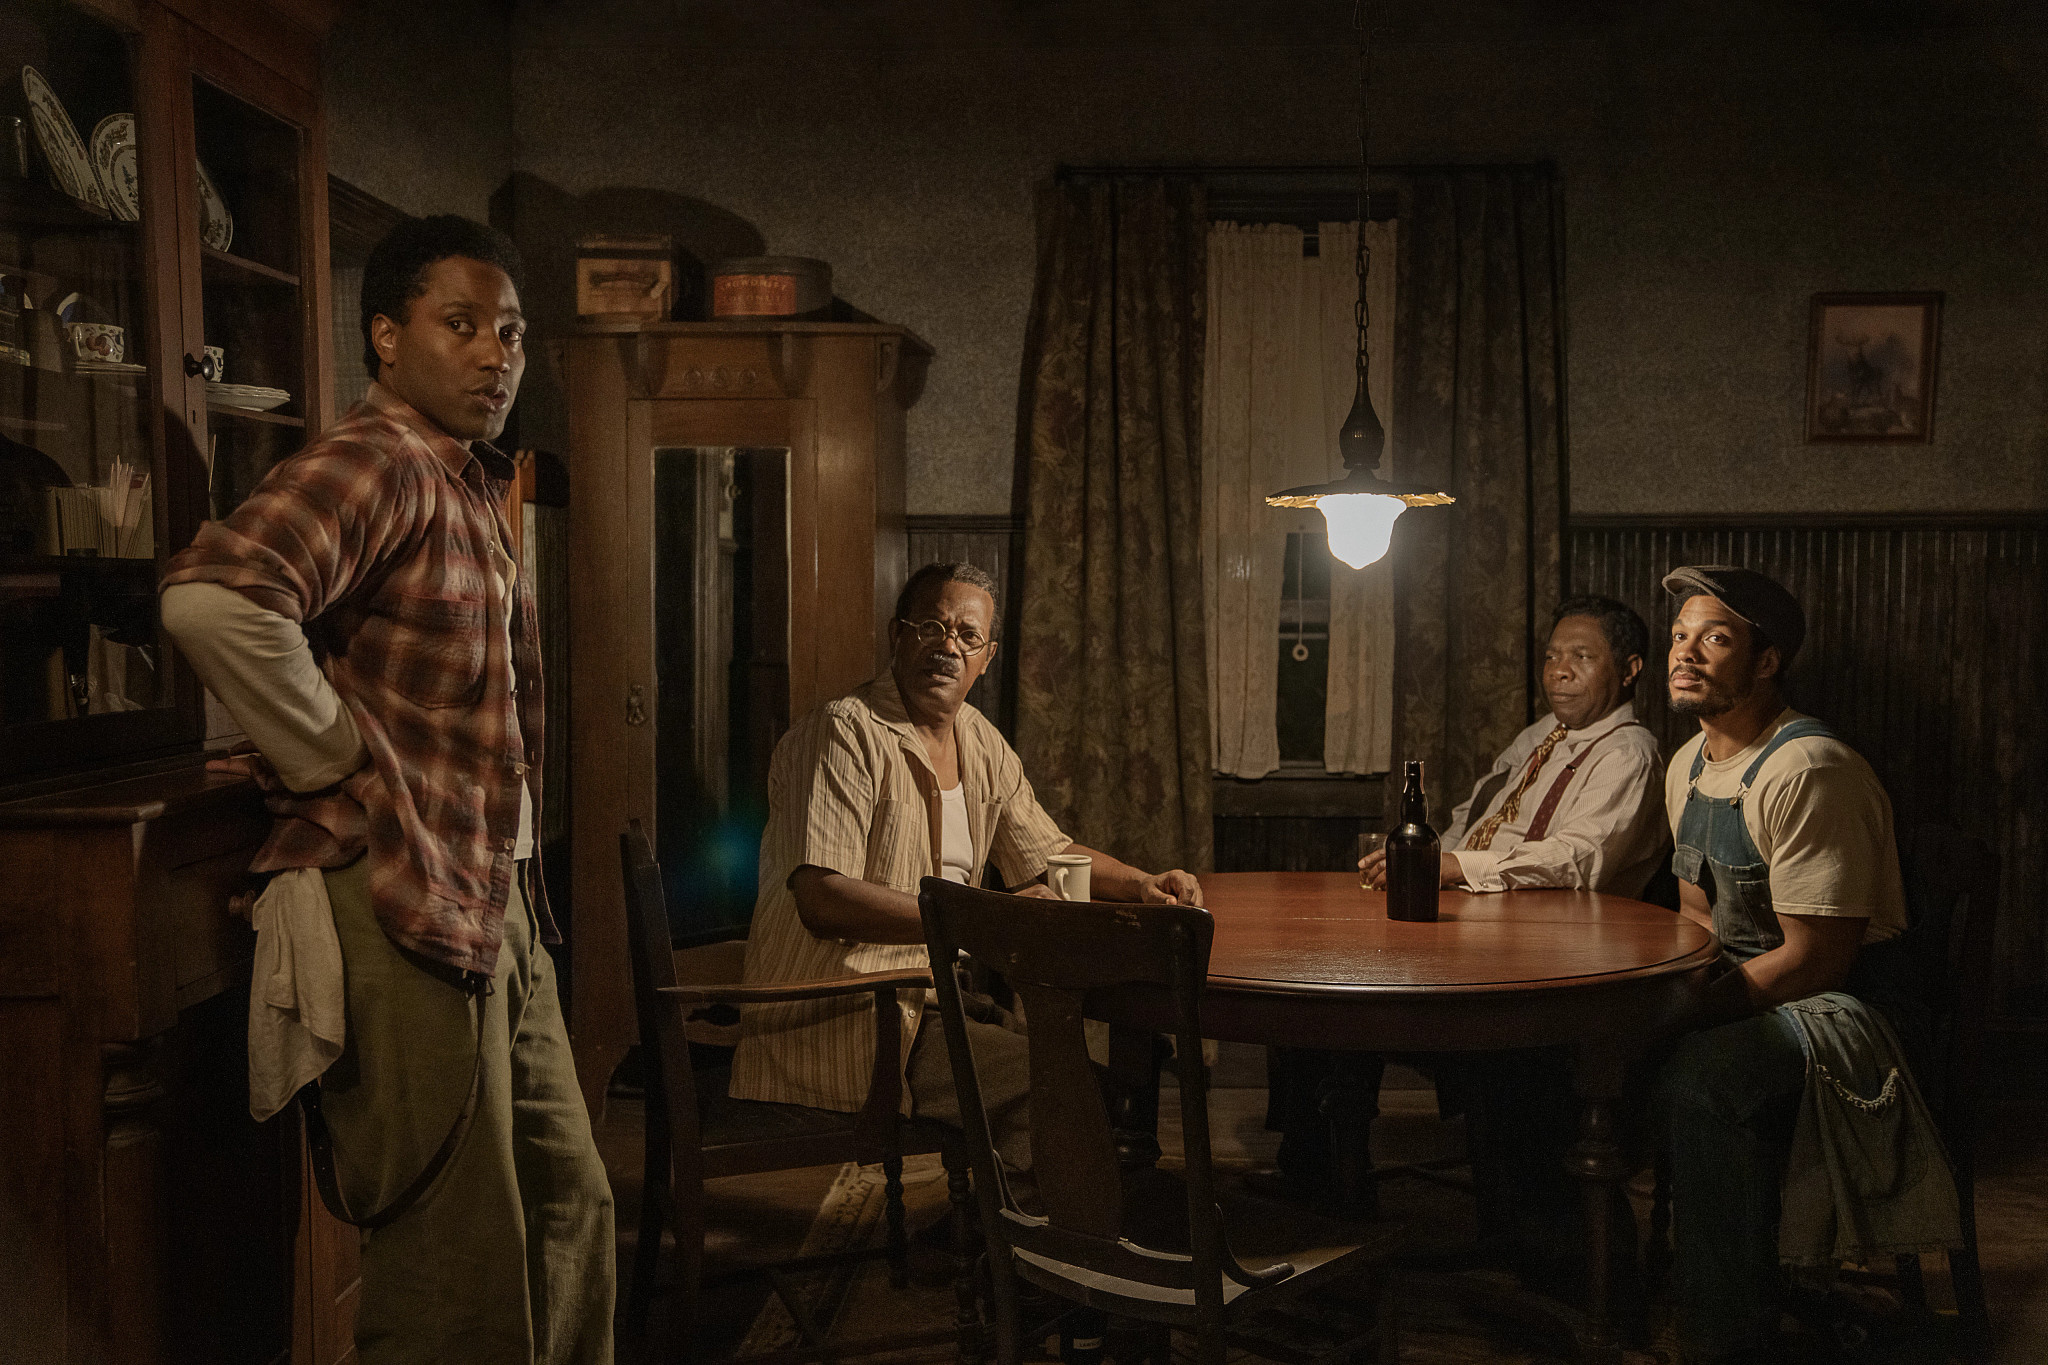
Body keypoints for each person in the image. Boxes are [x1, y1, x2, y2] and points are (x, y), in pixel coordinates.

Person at [159, 217, 613, 1365]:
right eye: (459, 325)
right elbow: (212, 599)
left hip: (491, 905)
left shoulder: (465, 484)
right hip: (402, 902)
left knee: (570, 1212)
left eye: (508, 332)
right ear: (385, 334)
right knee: (455, 1274)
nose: (494, 354)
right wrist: (326, 757)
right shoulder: (379, 459)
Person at [731, 561, 1202, 1170]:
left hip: (931, 1002)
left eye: (967, 636)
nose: (947, 647)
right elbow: (823, 899)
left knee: (1092, 1082)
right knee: (1056, 1089)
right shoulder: (842, 734)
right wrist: (987, 920)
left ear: (987, 657)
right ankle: (1030, 1255)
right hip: (848, 1017)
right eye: (932, 627)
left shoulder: (978, 738)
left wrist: (1139, 884)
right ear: (898, 636)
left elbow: (1047, 860)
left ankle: (1018, 1236)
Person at [1260, 596, 1670, 1210]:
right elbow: (1471, 820)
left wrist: (1454, 868)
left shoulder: (1627, 754)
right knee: (1310, 988)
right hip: (1471, 931)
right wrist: (1421, 863)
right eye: (1553, 655)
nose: (1558, 671)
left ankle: (1340, 1195)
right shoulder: (1544, 735)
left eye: (1581, 658)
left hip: (1541, 965)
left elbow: (1582, 860)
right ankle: (1319, 1185)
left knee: (1343, 1011)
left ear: (1630, 669)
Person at [1652, 565, 1956, 1365]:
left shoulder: (1807, 768)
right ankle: (1611, 1283)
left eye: (1715, 637)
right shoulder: (1685, 765)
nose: (1687, 652)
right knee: (1590, 1046)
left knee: (1704, 1075)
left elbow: (1819, 958)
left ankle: (1724, 1337)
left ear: (1767, 660)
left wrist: (1692, 1013)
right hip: (1755, 986)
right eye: (1681, 635)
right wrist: (1662, 997)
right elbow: (1695, 918)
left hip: (1851, 1006)